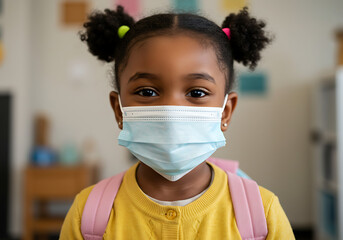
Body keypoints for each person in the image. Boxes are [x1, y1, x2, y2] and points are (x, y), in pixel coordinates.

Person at [60, 5, 295, 239]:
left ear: (226, 112)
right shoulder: (87, 216)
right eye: (147, 92)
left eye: (197, 93)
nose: (171, 113)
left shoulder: (263, 215)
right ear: (118, 109)